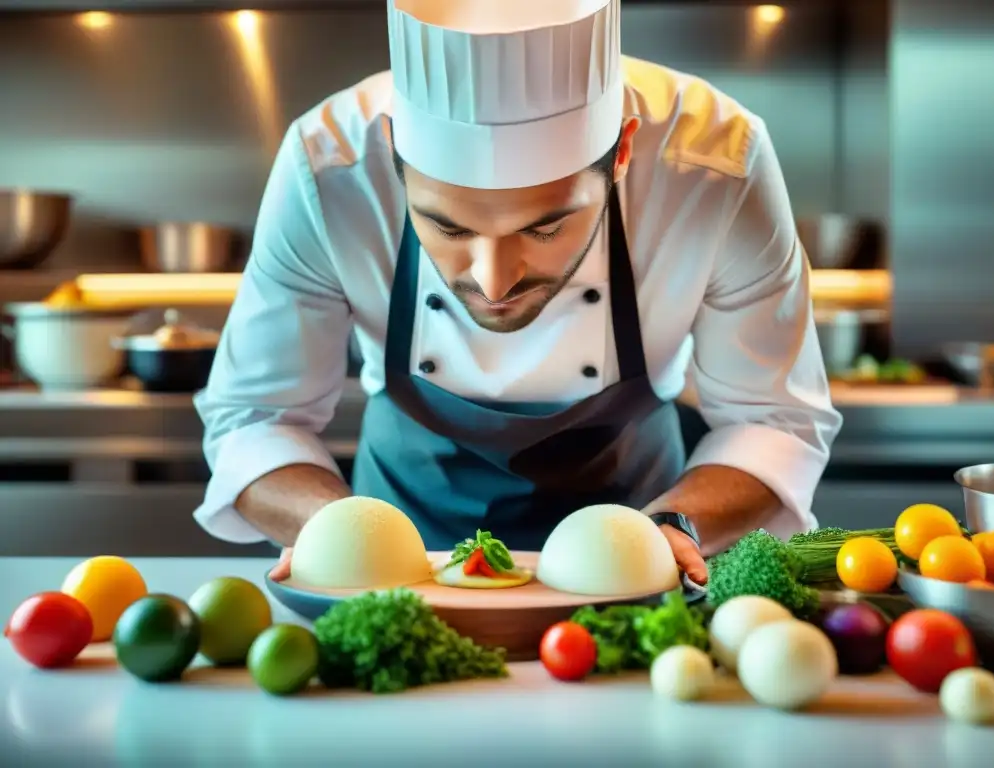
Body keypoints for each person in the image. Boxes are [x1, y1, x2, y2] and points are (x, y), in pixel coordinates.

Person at [193, 0, 842, 586]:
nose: (494, 279)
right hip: (395, 561)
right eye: (447, 224)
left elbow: (772, 417)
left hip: (642, 548)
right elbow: (255, 419)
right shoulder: (326, 166)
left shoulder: (716, 163)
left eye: (547, 225)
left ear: (621, 156)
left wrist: (675, 529)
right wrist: (344, 539)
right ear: (393, 153)